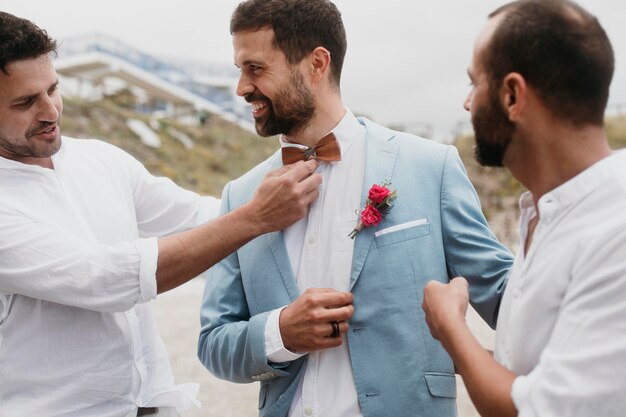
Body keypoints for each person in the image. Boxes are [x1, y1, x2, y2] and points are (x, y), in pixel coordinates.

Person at [197, 1, 513, 416]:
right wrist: (281, 332)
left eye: (255, 68)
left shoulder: (430, 168)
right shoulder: (240, 196)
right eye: (239, 69)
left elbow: (506, 299)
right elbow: (213, 342)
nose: (241, 87)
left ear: (317, 63)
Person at [0, 11, 322, 417]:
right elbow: (106, 279)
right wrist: (255, 217)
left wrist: (319, 200)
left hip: (157, 406)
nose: (51, 111)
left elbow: (200, 217)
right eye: (26, 102)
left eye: (53, 89)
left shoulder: (101, 159)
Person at [422, 1, 626, 416]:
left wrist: (450, 327)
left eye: (473, 83)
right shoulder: (547, 211)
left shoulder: (616, 228)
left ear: (513, 94)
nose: (466, 104)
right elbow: (548, 365)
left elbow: (539, 409)